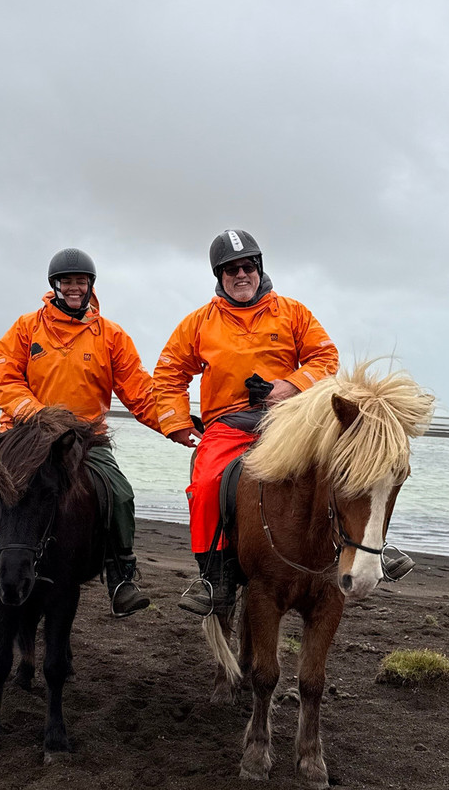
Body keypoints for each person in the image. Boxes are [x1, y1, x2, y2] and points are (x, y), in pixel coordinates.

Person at [0, 248, 160, 617]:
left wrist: (177, 423)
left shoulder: (111, 336)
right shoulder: (27, 327)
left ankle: (120, 576)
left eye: (81, 281)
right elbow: (4, 376)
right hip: (24, 434)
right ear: (54, 286)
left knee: (119, 493)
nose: (74, 288)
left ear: (91, 286)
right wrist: (35, 413)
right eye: (66, 282)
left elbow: (139, 391)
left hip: (81, 438)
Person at [154, 229, 341, 616]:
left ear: (259, 268)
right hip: (229, 424)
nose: (241, 275)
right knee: (205, 484)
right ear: (219, 276)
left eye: (248, 266)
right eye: (231, 270)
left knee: (345, 467)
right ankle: (214, 577)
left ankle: (371, 549)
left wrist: (286, 387)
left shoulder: (293, 313)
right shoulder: (199, 323)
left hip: (289, 419)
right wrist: (174, 421)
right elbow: (169, 371)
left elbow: (326, 359)